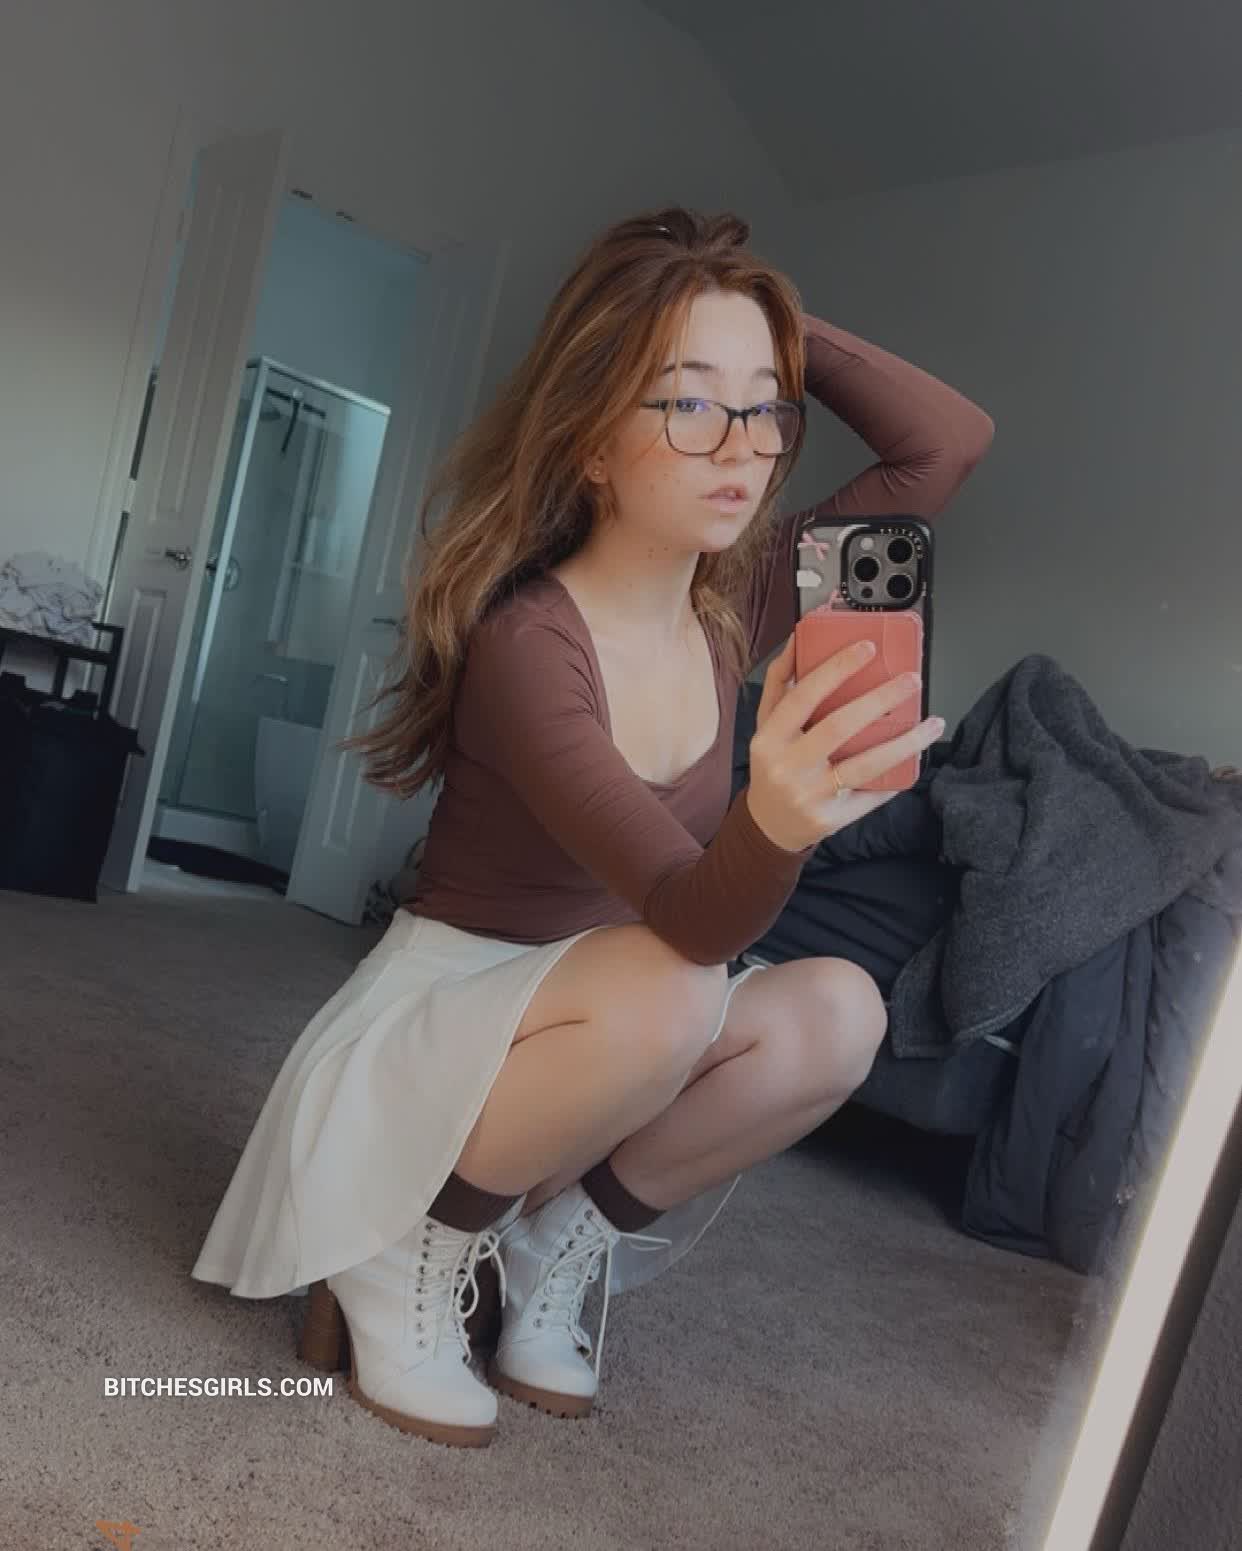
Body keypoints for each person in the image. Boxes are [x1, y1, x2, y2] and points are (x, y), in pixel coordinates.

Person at [191, 206, 994, 1449]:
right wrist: (777, 819)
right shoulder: (529, 644)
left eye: (764, 408)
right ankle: (410, 1242)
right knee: (679, 982)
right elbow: (692, 920)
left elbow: (945, 442)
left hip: (616, 1017)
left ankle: (554, 1241)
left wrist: (754, 314)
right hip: (457, 1013)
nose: (742, 446)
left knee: (842, 1015)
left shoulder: (738, 604)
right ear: (594, 440)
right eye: (688, 403)